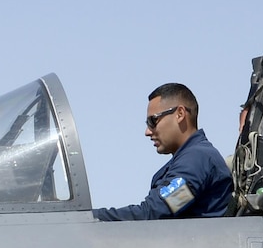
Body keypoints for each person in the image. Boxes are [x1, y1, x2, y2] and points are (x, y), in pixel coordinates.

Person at [93, 83, 233, 221]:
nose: (147, 131)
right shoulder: (192, 158)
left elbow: (155, 212)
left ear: (180, 114)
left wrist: (89, 218)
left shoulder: (197, 159)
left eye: (153, 120)